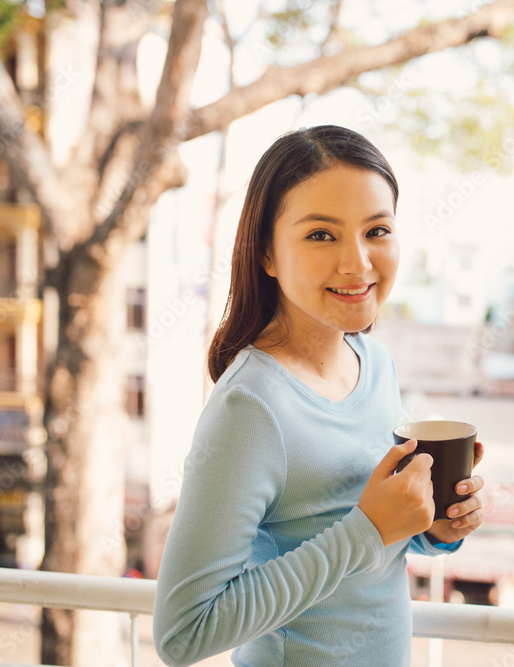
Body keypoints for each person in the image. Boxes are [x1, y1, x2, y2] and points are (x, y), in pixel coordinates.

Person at [153, 125, 485, 666]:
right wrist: (367, 529)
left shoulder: (376, 365)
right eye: (321, 235)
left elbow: (367, 550)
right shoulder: (251, 407)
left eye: (377, 230)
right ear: (266, 254)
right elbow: (183, 634)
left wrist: (434, 528)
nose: (357, 263)